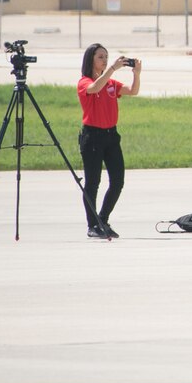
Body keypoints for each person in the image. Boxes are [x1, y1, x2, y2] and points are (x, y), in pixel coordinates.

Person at [77, 43, 140, 239]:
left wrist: (136, 73)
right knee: (93, 182)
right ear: (91, 60)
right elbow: (95, 87)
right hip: (92, 137)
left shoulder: (111, 83)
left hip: (111, 136)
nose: (104, 60)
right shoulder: (84, 82)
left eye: (106, 57)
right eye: (100, 57)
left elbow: (132, 91)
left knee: (118, 181)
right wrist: (113, 68)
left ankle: (102, 219)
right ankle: (92, 225)